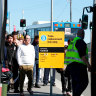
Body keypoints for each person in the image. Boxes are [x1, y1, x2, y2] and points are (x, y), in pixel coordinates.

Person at [64, 29, 91, 96]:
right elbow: (82, 55)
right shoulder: (80, 42)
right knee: (84, 82)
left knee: (75, 83)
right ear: (83, 34)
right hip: (79, 67)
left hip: (71, 67)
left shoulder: (72, 42)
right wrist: (88, 65)